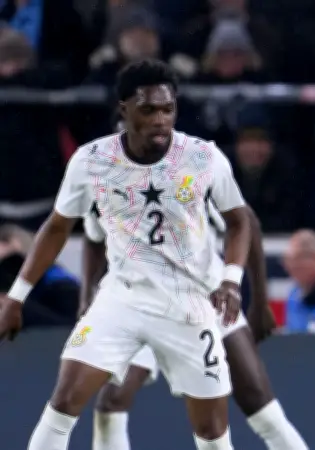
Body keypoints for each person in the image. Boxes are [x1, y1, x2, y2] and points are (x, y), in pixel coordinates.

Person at [0, 59, 249, 450]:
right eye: (148, 110)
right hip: (122, 297)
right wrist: (17, 296)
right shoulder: (92, 161)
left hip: (188, 304)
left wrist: (231, 280)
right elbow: (57, 227)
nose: (160, 120)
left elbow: (239, 221)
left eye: (168, 109)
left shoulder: (204, 158)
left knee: (212, 432)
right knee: (64, 401)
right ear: (124, 109)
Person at [81, 202, 307, 449]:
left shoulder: (196, 177)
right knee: (112, 402)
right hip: (139, 301)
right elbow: (94, 237)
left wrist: (260, 302)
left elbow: (247, 222)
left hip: (203, 295)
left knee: (260, 407)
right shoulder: (102, 182)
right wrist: (86, 298)